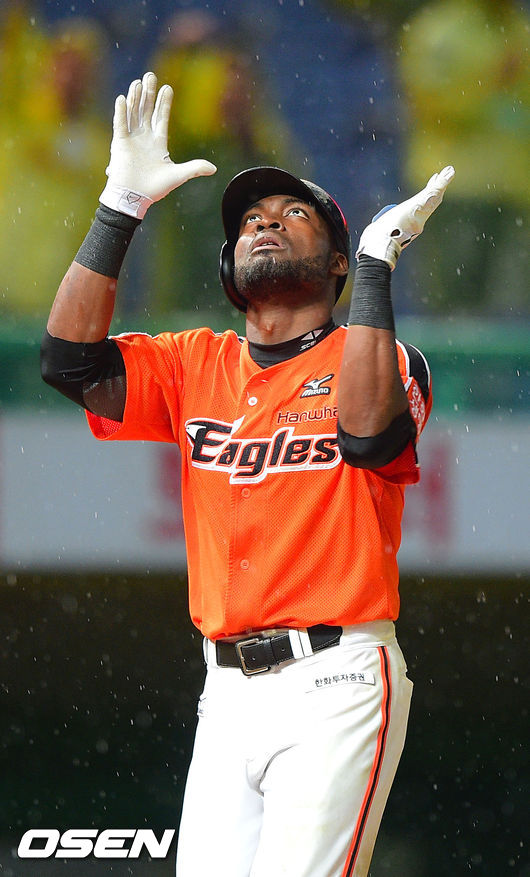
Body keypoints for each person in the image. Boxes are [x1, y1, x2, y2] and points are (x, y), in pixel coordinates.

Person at [41, 72, 454, 877]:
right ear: (229, 266)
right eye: (251, 221)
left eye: (293, 214)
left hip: (337, 673)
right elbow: (69, 361)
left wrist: (378, 269)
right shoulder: (195, 361)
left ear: (335, 262)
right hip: (225, 687)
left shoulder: (377, 355)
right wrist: (119, 208)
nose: (265, 222)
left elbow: (370, 436)